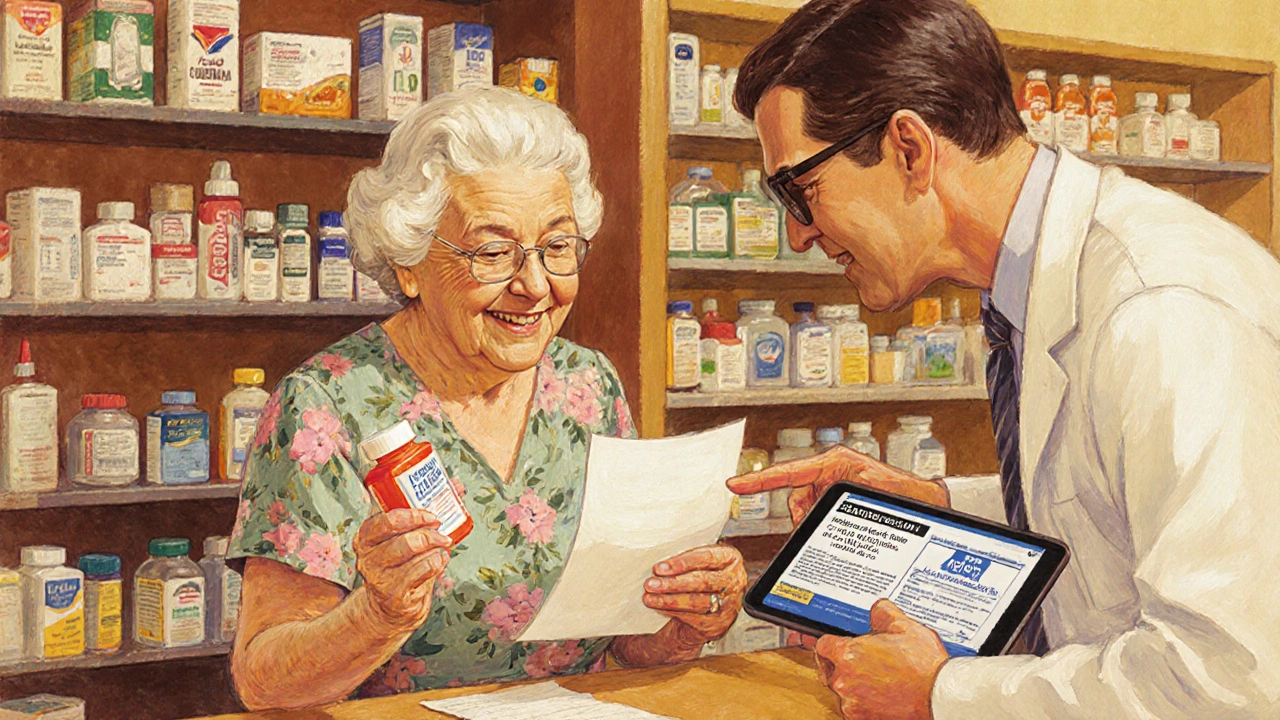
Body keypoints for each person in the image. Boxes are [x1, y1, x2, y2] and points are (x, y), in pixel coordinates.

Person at [726, 0, 1280, 718]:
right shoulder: (1038, 283)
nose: (798, 235)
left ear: (909, 150)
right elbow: (1119, 502)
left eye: (798, 191)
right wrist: (944, 508)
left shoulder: (1164, 309)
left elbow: (1231, 679)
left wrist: (942, 693)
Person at [227, 87, 746, 710]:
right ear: (410, 264)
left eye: (556, 248)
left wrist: (685, 618)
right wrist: (378, 615)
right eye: (494, 252)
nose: (534, 286)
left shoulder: (587, 386)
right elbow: (265, 683)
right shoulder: (325, 405)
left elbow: (618, 647)